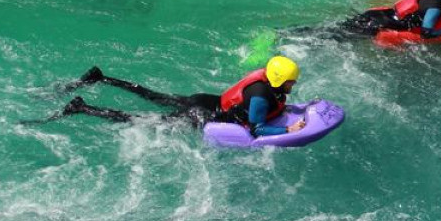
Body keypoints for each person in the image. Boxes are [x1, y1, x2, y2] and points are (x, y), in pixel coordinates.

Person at [47, 56, 304, 136]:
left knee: (152, 96)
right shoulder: (260, 96)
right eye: (291, 81)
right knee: (138, 119)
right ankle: (82, 108)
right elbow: (257, 129)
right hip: (203, 113)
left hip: (205, 100)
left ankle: (102, 78)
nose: (293, 84)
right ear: (279, 80)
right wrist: (288, 130)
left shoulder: (266, 80)